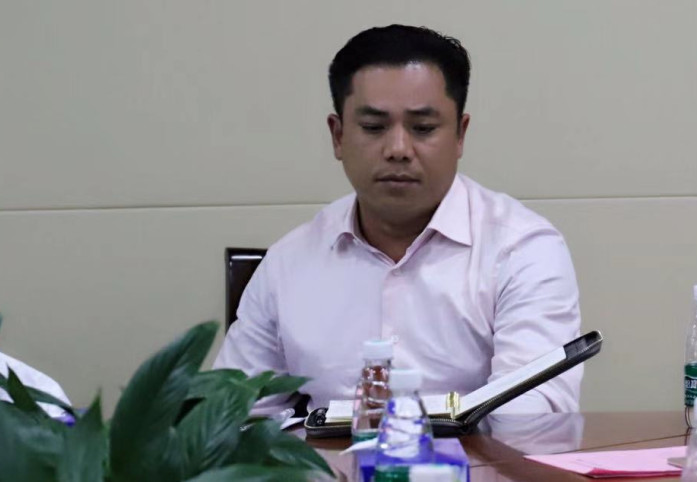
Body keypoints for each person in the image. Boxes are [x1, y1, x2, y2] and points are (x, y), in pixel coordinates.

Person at [214, 25, 582, 414]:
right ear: (338, 136)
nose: (398, 149)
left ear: (460, 135)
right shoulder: (289, 262)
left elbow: (534, 417)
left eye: (423, 128)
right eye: (374, 127)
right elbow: (231, 418)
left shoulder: (521, 250)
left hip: (476, 456)